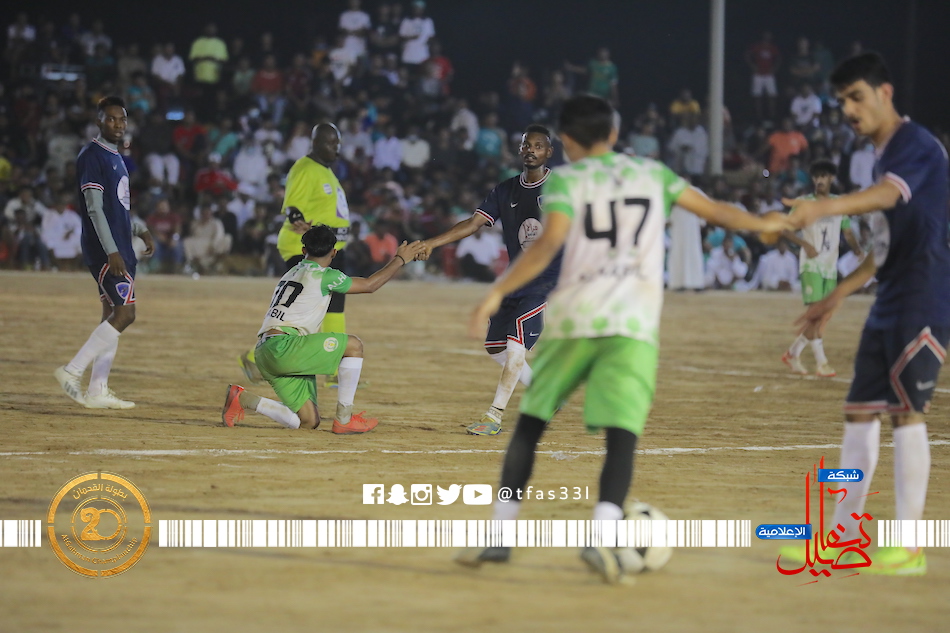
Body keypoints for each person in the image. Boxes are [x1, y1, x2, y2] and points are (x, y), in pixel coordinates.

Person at [456, 95, 792, 582]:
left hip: (576, 319)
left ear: (566, 142)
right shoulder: (652, 174)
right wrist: (765, 223)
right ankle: (602, 536)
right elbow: (716, 211)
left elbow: (546, 245)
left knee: (529, 427)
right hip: (632, 326)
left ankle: (500, 536)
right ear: (613, 134)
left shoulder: (567, 181)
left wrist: (495, 293)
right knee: (621, 437)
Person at [784, 53, 950, 575]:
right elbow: (880, 251)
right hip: (890, 301)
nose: (849, 110)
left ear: (885, 92)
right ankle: (843, 536)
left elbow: (887, 195)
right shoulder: (882, 158)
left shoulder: (915, 145)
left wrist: (824, 206)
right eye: (843, 102)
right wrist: (834, 296)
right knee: (858, 412)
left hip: (924, 298)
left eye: (857, 97)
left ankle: (909, 547)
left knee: (906, 413)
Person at [418, 124, 559, 435]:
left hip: (547, 281)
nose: (531, 150)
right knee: (495, 347)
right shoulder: (505, 190)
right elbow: (473, 223)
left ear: (549, 152)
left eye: (538, 146)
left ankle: (494, 416)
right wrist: (431, 243)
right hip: (515, 280)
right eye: (526, 145)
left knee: (516, 345)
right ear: (519, 150)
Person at [222, 224, 424, 434]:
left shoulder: (291, 272)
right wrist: (400, 259)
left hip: (264, 351)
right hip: (286, 348)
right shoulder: (325, 275)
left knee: (309, 421)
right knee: (354, 346)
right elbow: (369, 285)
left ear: (303, 250)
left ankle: (243, 398)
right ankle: (344, 419)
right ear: (334, 252)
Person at [54, 96, 154, 409]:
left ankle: (98, 388)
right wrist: (112, 251)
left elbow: (116, 208)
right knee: (125, 314)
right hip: (106, 249)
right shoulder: (92, 155)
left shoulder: (116, 156)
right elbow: (94, 209)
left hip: (119, 245)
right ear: (99, 121)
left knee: (111, 314)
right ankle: (72, 371)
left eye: (122, 119)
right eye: (111, 119)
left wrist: (138, 228)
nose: (118, 124)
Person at [239, 123, 351, 386]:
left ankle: (334, 370)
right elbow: (292, 204)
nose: (336, 148)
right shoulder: (305, 167)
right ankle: (255, 359)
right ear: (315, 142)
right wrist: (295, 216)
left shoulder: (325, 171)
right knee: (304, 308)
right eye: (330, 143)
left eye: (337, 143)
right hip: (310, 248)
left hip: (328, 248)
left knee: (333, 304)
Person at [781, 159, 861, 377]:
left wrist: (857, 249)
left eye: (823, 176)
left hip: (829, 266)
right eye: (816, 177)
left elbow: (847, 231)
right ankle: (821, 362)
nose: (819, 180)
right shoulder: (804, 203)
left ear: (831, 178)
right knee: (816, 314)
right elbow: (786, 229)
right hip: (811, 266)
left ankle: (793, 353)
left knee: (823, 315)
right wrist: (805, 244)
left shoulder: (839, 204)